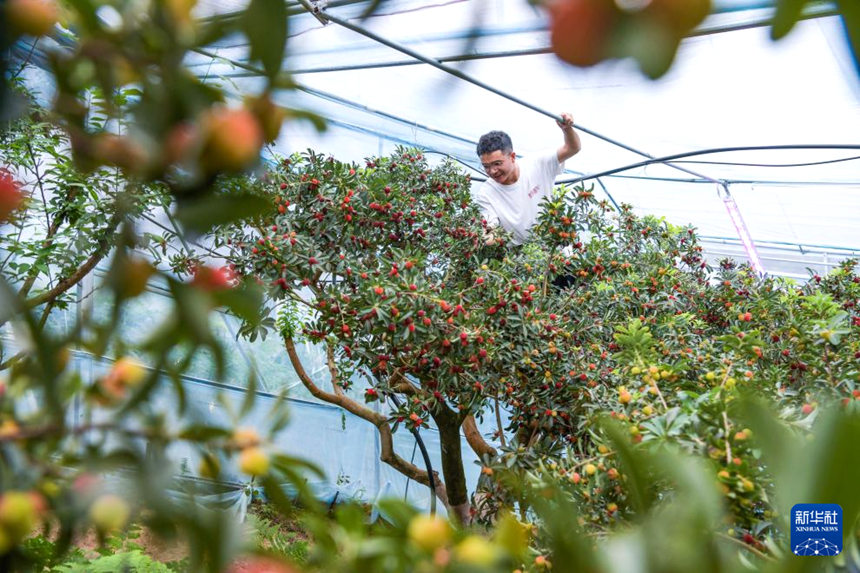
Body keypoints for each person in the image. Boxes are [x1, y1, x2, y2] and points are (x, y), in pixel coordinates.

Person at [473, 113, 581, 247]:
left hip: (556, 247)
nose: (492, 171)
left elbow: (572, 148)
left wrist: (567, 129)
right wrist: (478, 239)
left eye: (497, 164)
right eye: (486, 166)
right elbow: (491, 229)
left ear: (512, 157)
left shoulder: (537, 163)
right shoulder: (486, 194)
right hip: (524, 260)